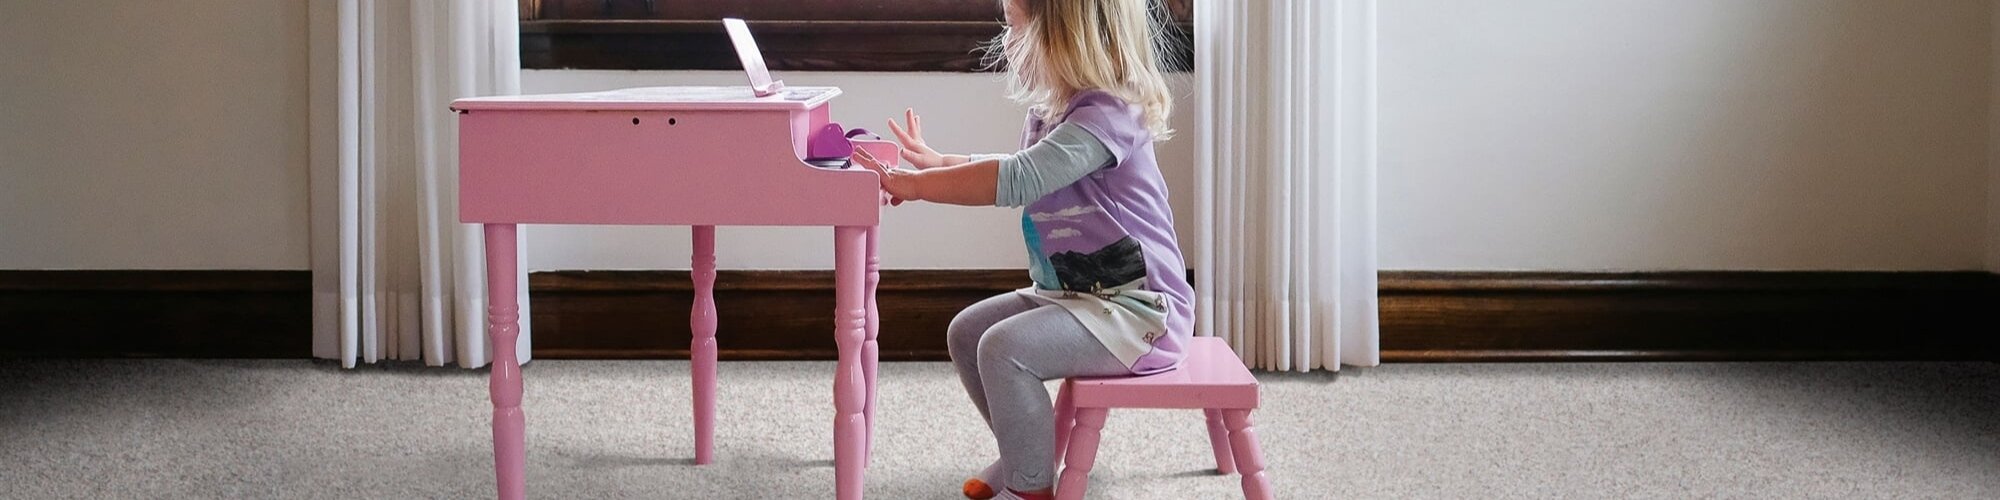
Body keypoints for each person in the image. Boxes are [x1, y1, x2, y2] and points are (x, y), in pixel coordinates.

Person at [850, 0, 1190, 497]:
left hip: (1139, 312)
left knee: (1004, 349)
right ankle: (1025, 457)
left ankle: (1030, 489)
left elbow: (1019, 178)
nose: (1005, 40)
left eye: (1014, 26)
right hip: (1079, 297)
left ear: (1065, 37)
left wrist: (920, 186)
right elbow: (1023, 163)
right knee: (968, 333)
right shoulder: (1059, 112)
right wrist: (939, 162)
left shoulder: (1111, 114)